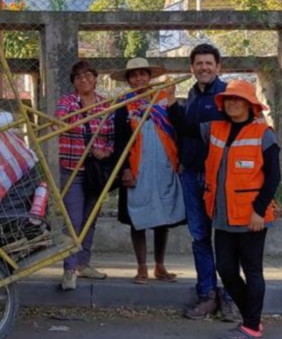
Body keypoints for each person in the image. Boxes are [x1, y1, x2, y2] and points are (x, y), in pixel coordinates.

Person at [200, 80, 281, 339]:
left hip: (251, 218)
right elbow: (185, 128)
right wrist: (168, 102)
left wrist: (259, 211)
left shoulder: (263, 134)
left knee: (252, 270)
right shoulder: (216, 129)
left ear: (250, 105)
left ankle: (251, 325)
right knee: (225, 269)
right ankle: (252, 317)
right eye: (229, 99)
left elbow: (273, 178)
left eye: (238, 99)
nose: (233, 103)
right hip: (222, 216)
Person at [168, 43, 240, 321]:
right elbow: (185, 133)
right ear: (192, 68)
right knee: (199, 237)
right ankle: (207, 294)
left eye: (209, 63)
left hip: (219, 177)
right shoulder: (192, 96)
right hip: (191, 175)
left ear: (218, 67)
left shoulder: (227, 95)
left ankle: (231, 297)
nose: (204, 68)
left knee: (225, 237)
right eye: (199, 63)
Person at [112, 58, 185, 285]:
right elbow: (120, 140)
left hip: (164, 165)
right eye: (133, 76)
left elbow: (179, 128)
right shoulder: (124, 104)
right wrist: (124, 168)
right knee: (138, 217)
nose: (138, 79)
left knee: (162, 218)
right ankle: (141, 267)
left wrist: (181, 159)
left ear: (149, 76)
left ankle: (160, 266)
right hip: (137, 167)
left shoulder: (164, 99)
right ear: (128, 80)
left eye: (142, 74)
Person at [55, 60, 114, 291]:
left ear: (95, 78)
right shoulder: (68, 102)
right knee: (73, 221)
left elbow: (111, 136)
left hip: (95, 171)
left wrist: (106, 150)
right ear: (74, 82)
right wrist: (73, 118)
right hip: (72, 168)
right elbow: (59, 121)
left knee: (90, 219)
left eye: (88, 75)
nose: (84, 80)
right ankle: (69, 269)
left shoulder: (105, 105)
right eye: (78, 77)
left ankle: (83, 263)